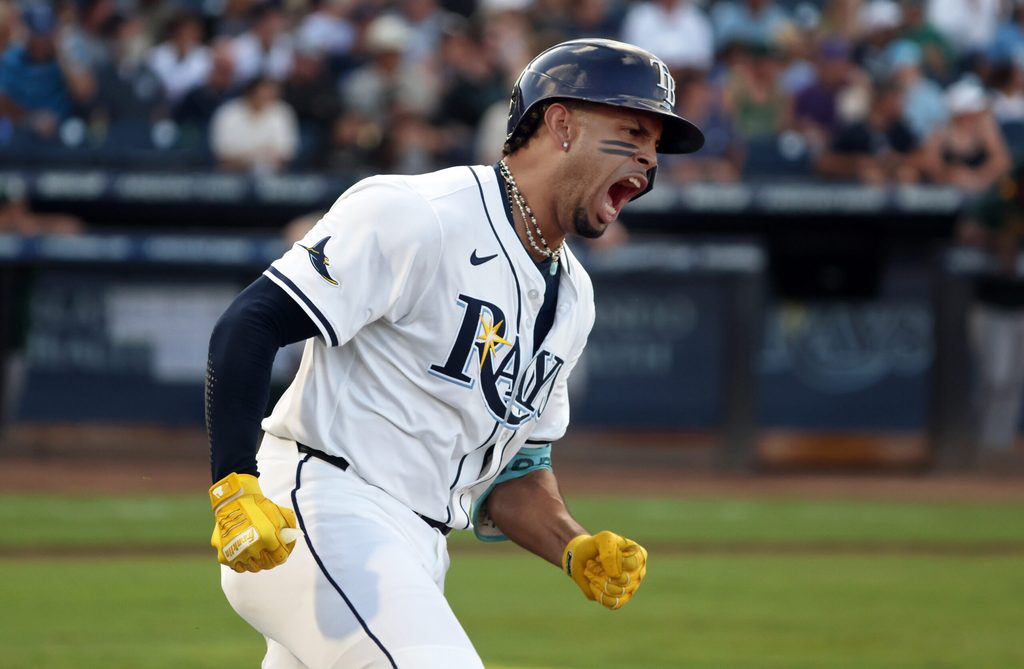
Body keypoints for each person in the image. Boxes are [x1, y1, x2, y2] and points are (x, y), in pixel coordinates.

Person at [205, 38, 704, 668]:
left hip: (418, 546)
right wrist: (232, 482)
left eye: (657, 144)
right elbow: (248, 325)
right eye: (633, 130)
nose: (649, 158)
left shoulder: (573, 295)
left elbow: (514, 472)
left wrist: (572, 545)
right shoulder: (422, 213)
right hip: (320, 511)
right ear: (562, 123)